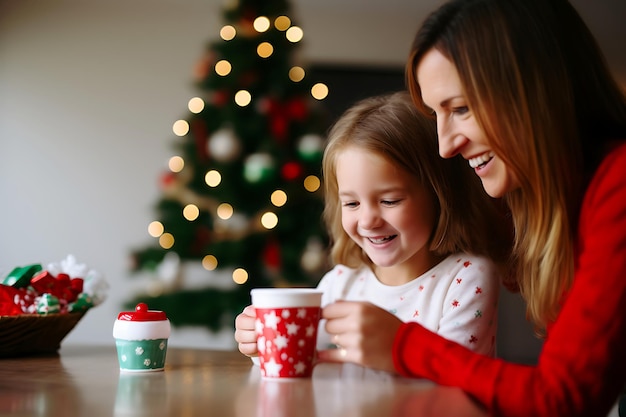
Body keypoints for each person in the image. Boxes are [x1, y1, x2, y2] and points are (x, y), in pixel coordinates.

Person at [318, 1, 626, 416]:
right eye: (436, 114)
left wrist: (400, 345)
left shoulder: (617, 187)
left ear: (532, 94)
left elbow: (562, 399)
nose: (446, 145)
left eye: (460, 109)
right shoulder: (548, 209)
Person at [234, 91, 511, 360]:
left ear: (440, 197)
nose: (367, 221)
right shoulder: (340, 284)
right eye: (352, 204)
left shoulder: (466, 278)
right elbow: (299, 355)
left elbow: (457, 375)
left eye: (389, 201)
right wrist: (262, 342)